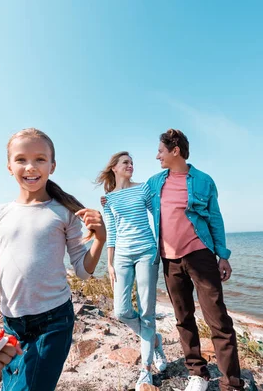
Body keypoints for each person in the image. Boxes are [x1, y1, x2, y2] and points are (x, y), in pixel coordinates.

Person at [0, 128, 106, 391]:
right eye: (21, 159)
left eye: (40, 159)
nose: (30, 166)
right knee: (11, 386)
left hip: (54, 321)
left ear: (52, 166)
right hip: (10, 326)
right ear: (9, 166)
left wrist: (100, 239)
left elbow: (81, 270)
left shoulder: (64, 212)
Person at [145, 129, 244, 391]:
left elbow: (215, 218)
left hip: (201, 256)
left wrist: (223, 255)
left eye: (160, 151)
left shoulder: (203, 181)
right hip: (169, 260)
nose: (157, 156)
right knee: (183, 317)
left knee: (218, 319)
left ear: (175, 151)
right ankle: (197, 373)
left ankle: (232, 383)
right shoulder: (155, 183)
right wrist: (110, 198)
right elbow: (133, 198)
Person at [95, 152, 168, 390]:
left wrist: (160, 245)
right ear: (114, 168)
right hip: (123, 257)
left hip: (147, 252)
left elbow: (157, 215)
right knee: (121, 310)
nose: (131, 165)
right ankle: (153, 339)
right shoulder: (108, 199)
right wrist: (109, 262)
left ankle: (145, 370)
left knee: (147, 312)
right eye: (125, 162)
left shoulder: (144, 188)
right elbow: (112, 232)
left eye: (132, 162)